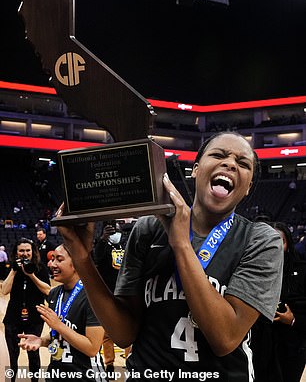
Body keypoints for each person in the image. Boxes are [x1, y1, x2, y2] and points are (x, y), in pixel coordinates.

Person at [56, 132, 283, 382]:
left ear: (249, 185)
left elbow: (225, 338)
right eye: (218, 155)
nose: (230, 163)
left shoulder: (260, 240)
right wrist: (81, 258)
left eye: (242, 163)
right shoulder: (148, 229)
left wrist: (181, 244)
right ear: (195, 170)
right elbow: (123, 333)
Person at [19, 244, 106, 382]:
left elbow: (92, 348)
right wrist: (42, 341)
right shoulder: (54, 293)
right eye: (52, 259)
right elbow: (60, 335)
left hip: (85, 375)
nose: (51, 264)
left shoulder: (93, 297)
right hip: (56, 373)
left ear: (77, 263)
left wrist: (58, 325)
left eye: (59, 259)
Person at [252, 222, 306, 382]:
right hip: (258, 343)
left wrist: (293, 320)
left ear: (288, 244)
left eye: (279, 241)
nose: (273, 247)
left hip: (290, 346)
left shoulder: (302, 271)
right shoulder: (251, 269)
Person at [2, 237, 50, 382]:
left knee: (33, 355)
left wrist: (32, 275)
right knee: (12, 354)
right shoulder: (13, 268)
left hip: (34, 317)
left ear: (32, 252)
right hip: (13, 317)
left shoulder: (40, 267)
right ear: (16, 253)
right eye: (21, 251)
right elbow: (4, 290)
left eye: (27, 250)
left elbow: (48, 290)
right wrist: (14, 271)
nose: (24, 253)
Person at [94, 221, 131, 375]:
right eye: (110, 230)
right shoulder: (101, 245)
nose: (114, 232)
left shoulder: (125, 245)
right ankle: (109, 363)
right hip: (108, 293)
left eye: (116, 229)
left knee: (129, 327)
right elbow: (96, 257)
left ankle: (129, 359)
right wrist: (103, 239)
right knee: (107, 332)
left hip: (125, 292)